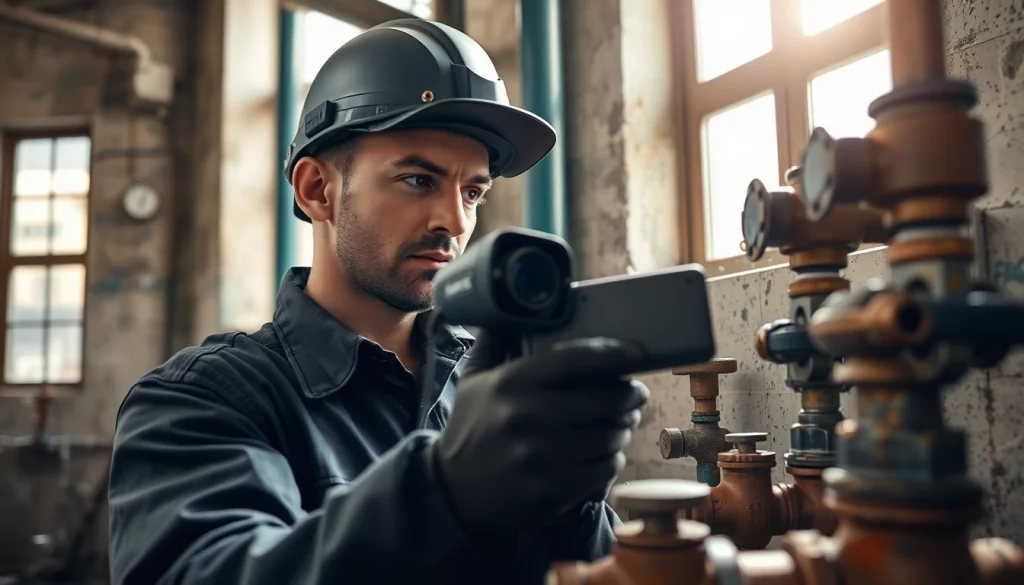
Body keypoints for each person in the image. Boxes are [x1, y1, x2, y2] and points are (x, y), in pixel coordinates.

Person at [107, 18, 648, 585]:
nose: (455, 222)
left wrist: (572, 504)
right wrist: (444, 493)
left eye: (473, 191)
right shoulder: (202, 402)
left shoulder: (495, 393)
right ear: (317, 189)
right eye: (418, 180)